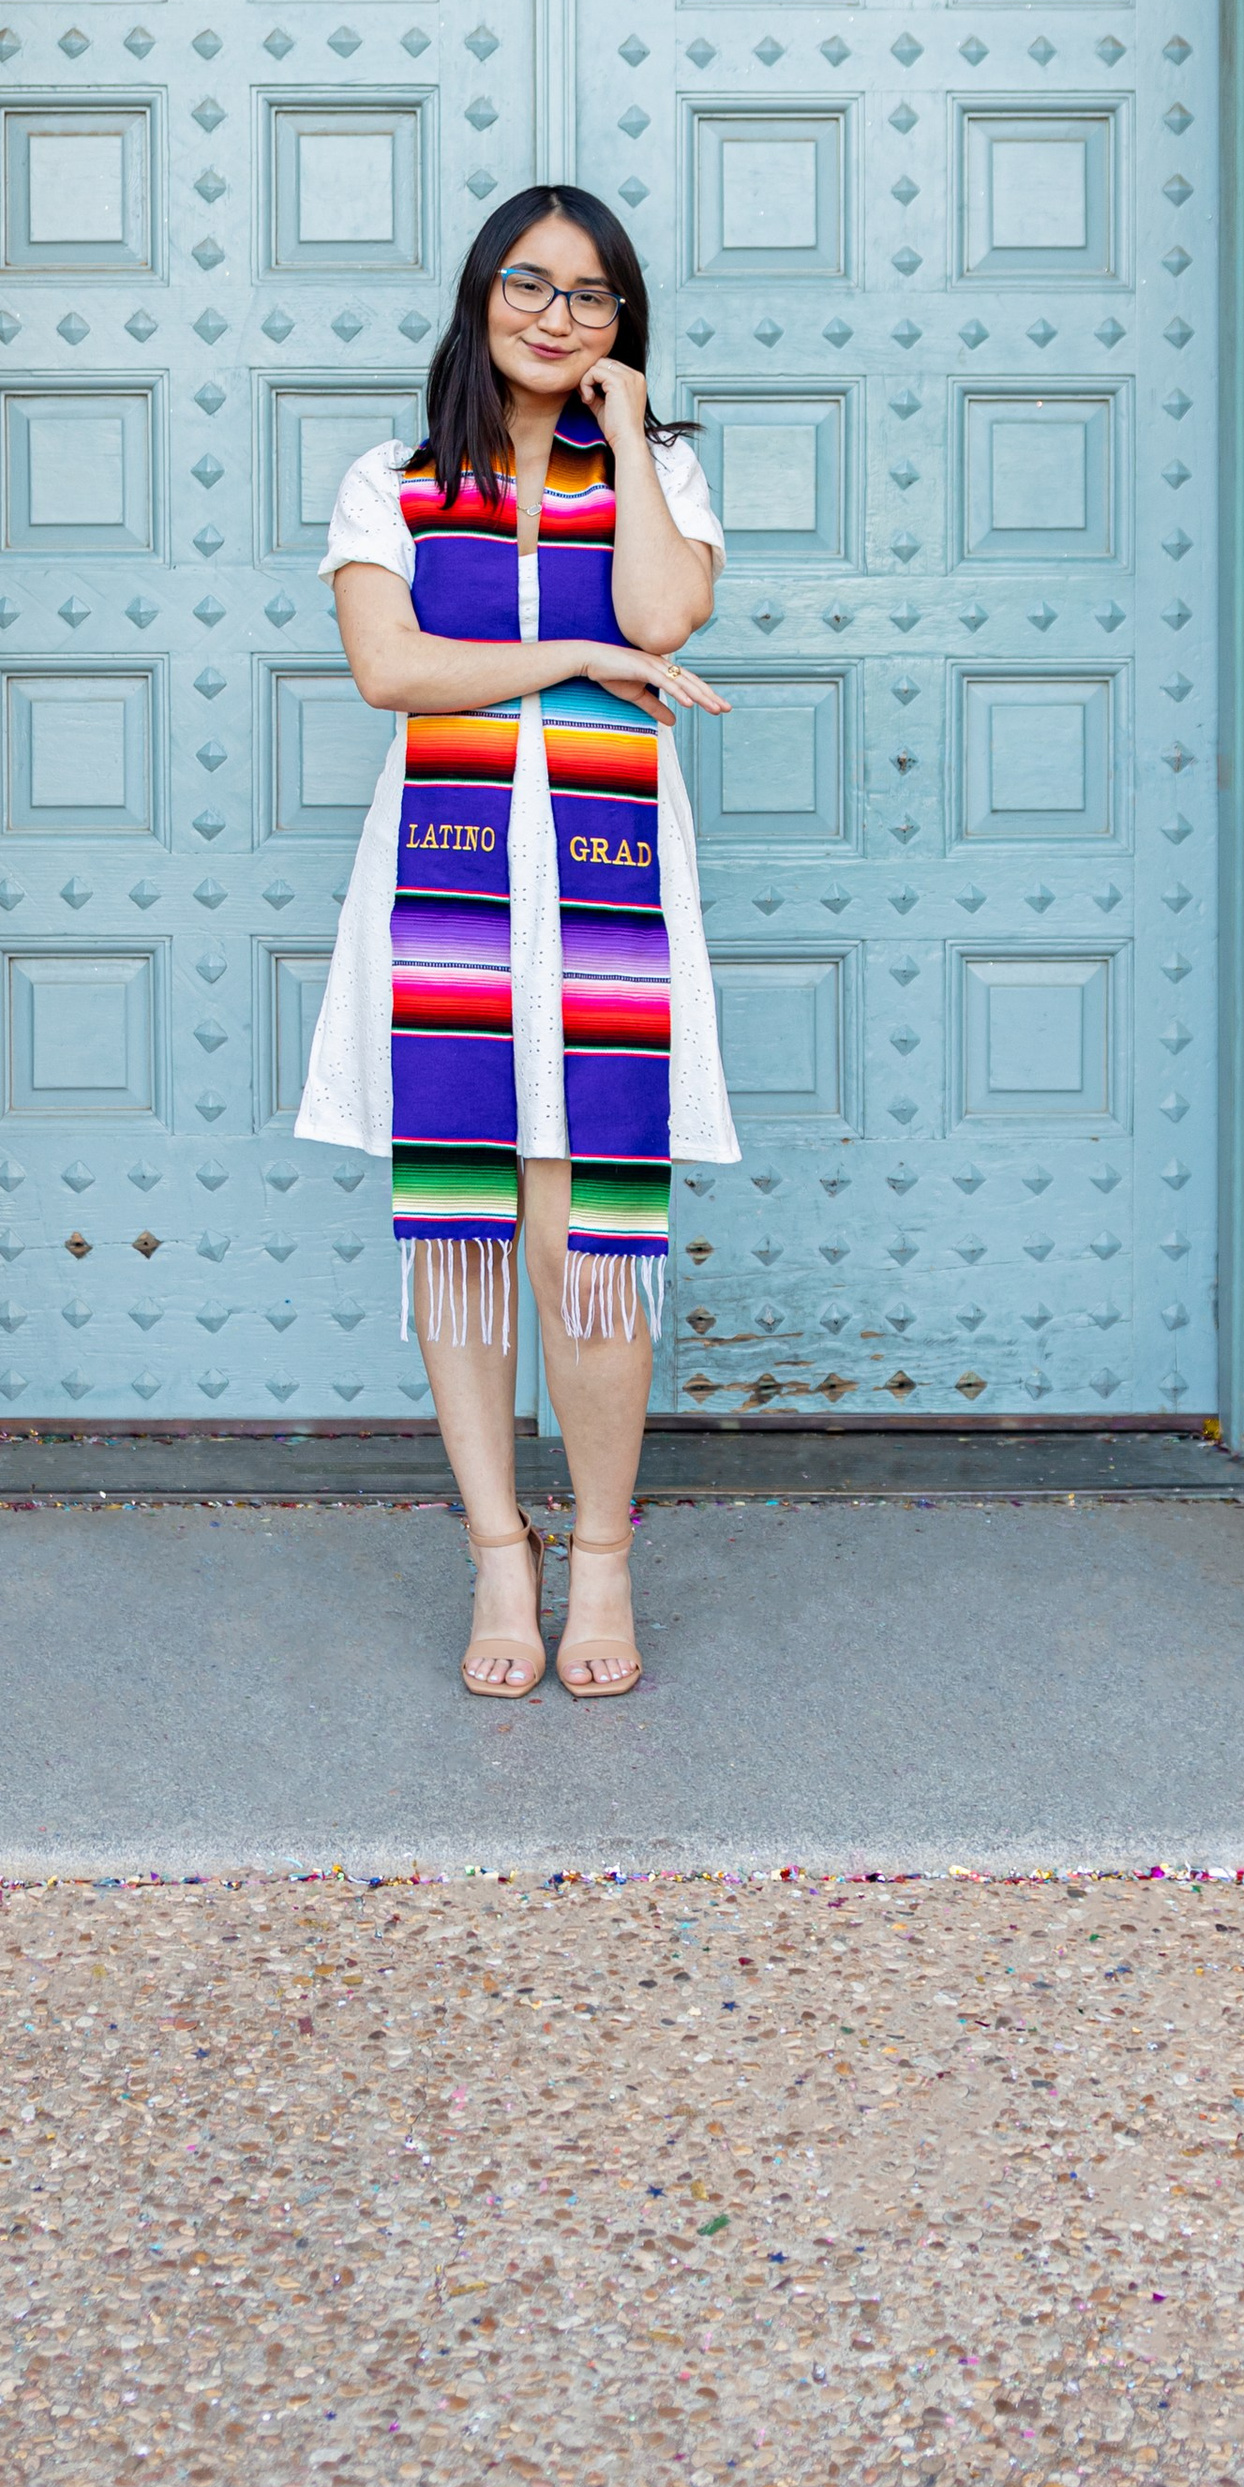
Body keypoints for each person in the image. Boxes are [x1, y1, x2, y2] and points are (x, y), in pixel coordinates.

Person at [295, 186, 736, 1699]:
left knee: (585, 1240)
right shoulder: (392, 483)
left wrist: (631, 442)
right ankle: (502, 1551)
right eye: (532, 285)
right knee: (469, 1223)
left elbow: (665, 616)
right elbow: (391, 670)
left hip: (604, 890)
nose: (559, 315)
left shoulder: (656, 471)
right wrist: (575, 659)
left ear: (623, 328)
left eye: (595, 297)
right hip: (443, 895)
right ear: (481, 297)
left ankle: (600, 1557)